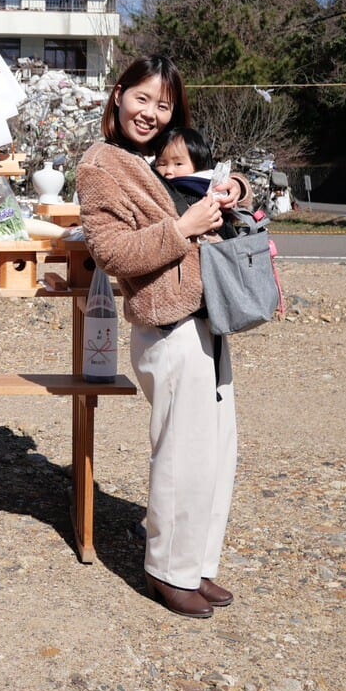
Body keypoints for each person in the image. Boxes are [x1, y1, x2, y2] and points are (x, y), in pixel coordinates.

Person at [76, 55, 247, 619]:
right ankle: (166, 572)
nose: (150, 113)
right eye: (142, 98)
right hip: (166, 324)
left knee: (215, 453)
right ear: (119, 95)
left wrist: (236, 188)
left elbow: (245, 190)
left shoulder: (165, 162)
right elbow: (112, 252)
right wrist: (184, 228)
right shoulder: (102, 166)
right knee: (179, 455)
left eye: (163, 104)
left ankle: (197, 564)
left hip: (209, 320)